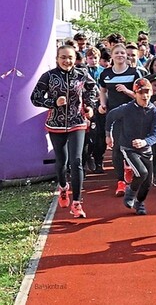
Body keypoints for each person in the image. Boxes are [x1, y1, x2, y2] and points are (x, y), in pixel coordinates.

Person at [30, 45, 97, 219]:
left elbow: (92, 89)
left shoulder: (82, 73)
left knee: (76, 161)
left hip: (77, 122)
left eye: (70, 57)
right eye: (63, 57)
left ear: (75, 58)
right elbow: (35, 98)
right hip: (56, 124)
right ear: (57, 58)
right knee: (62, 161)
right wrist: (53, 102)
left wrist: (89, 106)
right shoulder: (49, 76)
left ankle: (77, 203)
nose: (67, 61)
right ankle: (63, 187)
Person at [105, 78, 156, 216]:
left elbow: (155, 135)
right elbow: (110, 117)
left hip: (146, 149)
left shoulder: (154, 111)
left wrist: (145, 142)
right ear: (135, 94)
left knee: (148, 182)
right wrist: (108, 135)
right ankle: (130, 193)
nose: (144, 96)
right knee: (142, 172)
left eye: (147, 92)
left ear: (151, 92)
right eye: (141, 92)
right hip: (128, 147)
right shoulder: (127, 109)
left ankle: (139, 202)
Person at [98, 43, 146, 196]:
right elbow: (103, 90)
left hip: (133, 114)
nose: (120, 55)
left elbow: (142, 94)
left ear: (127, 56)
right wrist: (102, 104)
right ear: (112, 56)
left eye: (122, 53)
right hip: (114, 115)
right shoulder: (105, 74)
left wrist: (127, 91)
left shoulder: (135, 73)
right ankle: (120, 181)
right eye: (117, 53)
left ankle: (131, 168)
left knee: (133, 146)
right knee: (117, 147)